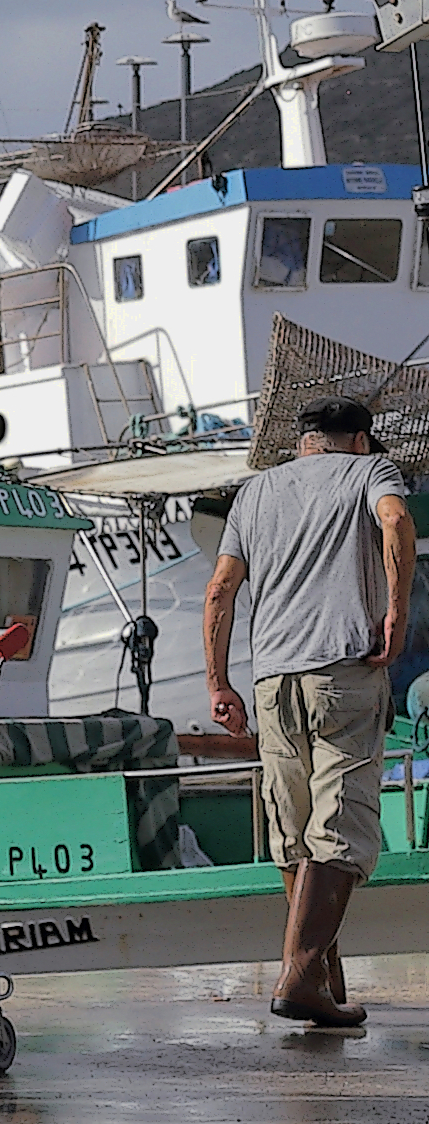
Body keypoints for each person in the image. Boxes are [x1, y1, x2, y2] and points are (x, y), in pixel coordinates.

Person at [203, 395, 414, 1028]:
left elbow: (219, 590)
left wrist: (219, 682)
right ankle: (299, 976)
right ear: (359, 440)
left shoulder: (254, 493)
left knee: (296, 835)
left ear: (303, 442)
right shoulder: (370, 472)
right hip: (343, 671)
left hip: (272, 681)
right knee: (341, 830)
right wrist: (397, 611)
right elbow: (397, 522)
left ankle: (321, 978)